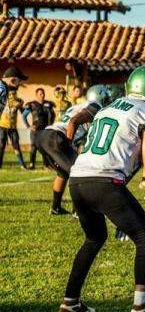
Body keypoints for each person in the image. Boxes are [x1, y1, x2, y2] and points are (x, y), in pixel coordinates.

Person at [58, 65, 145, 312]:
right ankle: (141, 308)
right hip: (104, 182)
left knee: (94, 239)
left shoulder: (109, 107)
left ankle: (70, 303)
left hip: (77, 180)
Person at [36, 85, 111, 215]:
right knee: (80, 174)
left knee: (64, 173)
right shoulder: (95, 106)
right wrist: (68, 144)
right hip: (56, 137)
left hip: (45, 136)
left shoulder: (78, 105)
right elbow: (73, 122)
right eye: (106, 99)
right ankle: (79, 211)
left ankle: (56, 207)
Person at [23, 87, 56, 169]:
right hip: (36, 130)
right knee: (34, 147)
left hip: (45, 130)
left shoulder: (48, 104)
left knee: (45, 147)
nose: (42, 95)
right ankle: (31, 165)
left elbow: (53, 114)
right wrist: (28, 126)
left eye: (43, 94)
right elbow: (24, 116)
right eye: (40, 94)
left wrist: (51, 124)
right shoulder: (31, 104)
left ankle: (46, 165)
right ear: (36, 95)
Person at [0, 89, 26, 170]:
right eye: (10, 94)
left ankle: (22, 165)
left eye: (14, 93)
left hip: (12, 127)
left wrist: (24, 107)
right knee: (1, 146)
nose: (12, 95)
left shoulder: (18, 101)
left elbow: (23, 111)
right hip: (2, 126)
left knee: (16, 146)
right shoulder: (2, 101)